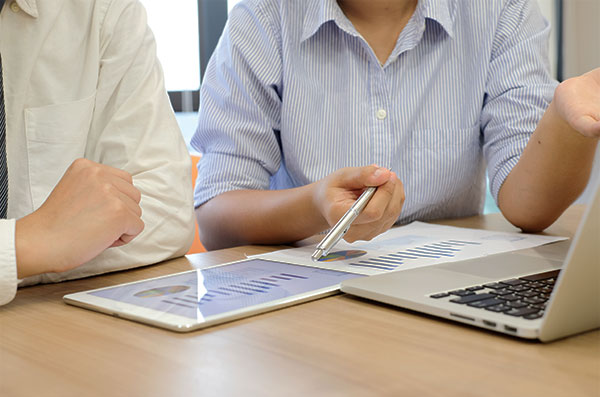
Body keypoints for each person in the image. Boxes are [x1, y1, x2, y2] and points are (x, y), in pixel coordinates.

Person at [192, 0, 599, 251]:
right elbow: (217, 216)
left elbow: (528, 208)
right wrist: (315, 204)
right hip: (310, 292)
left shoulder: (501, 9)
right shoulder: (261, 18)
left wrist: (566, 121)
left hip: (446, 285)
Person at [0, 0, 195, 306]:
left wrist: (33, 250)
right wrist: (27, 244)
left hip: (46, 326)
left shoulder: (104, 9)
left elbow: (169, 211)